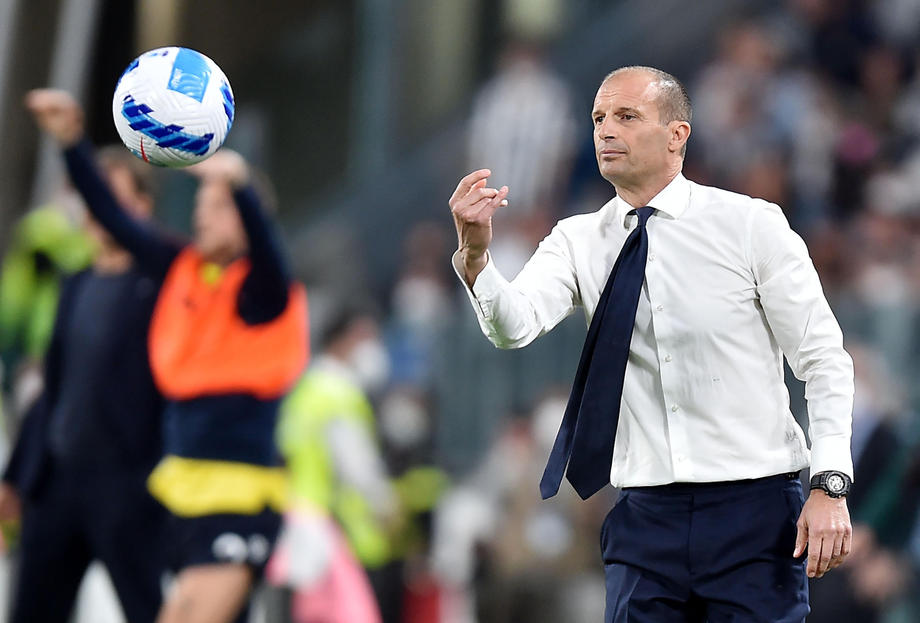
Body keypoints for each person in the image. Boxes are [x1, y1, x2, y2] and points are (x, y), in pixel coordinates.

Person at [448, 66, 854, 622]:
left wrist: (830, 484)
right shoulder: (577, 239)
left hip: (754, 511)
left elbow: (823, 358)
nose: (606, 130)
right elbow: (513, 325)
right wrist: (476, 259)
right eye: (598, 118)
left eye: (626, 116)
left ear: (676, 135)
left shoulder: (750, 225)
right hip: (644, 517)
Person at [26, 88, 309, 623]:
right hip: (182, 494)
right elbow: (115, 218)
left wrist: (239, 185)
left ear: (249, 218)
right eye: (201, 205)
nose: (203, 216)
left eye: (219, 207)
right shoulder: (184, 269)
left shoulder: (264, 290)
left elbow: (270, 251)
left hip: (236, 497)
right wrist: (71, 144)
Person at [0, 146, 167, 623]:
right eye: (91, 197)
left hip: (126, 486)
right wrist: (16, 477)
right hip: (59, 482)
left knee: (148, 608)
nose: (97, 209)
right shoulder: (75, 283)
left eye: (110, 196)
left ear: (142, 206)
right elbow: (55, 387)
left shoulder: (161, 284)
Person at [270, 306, 395, 623]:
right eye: (363, 337)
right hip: (334, 528)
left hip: (295, 517)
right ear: (341, 341)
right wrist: (385, 506)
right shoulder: (339, 393)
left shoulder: (306, 387)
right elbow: (358, 467)